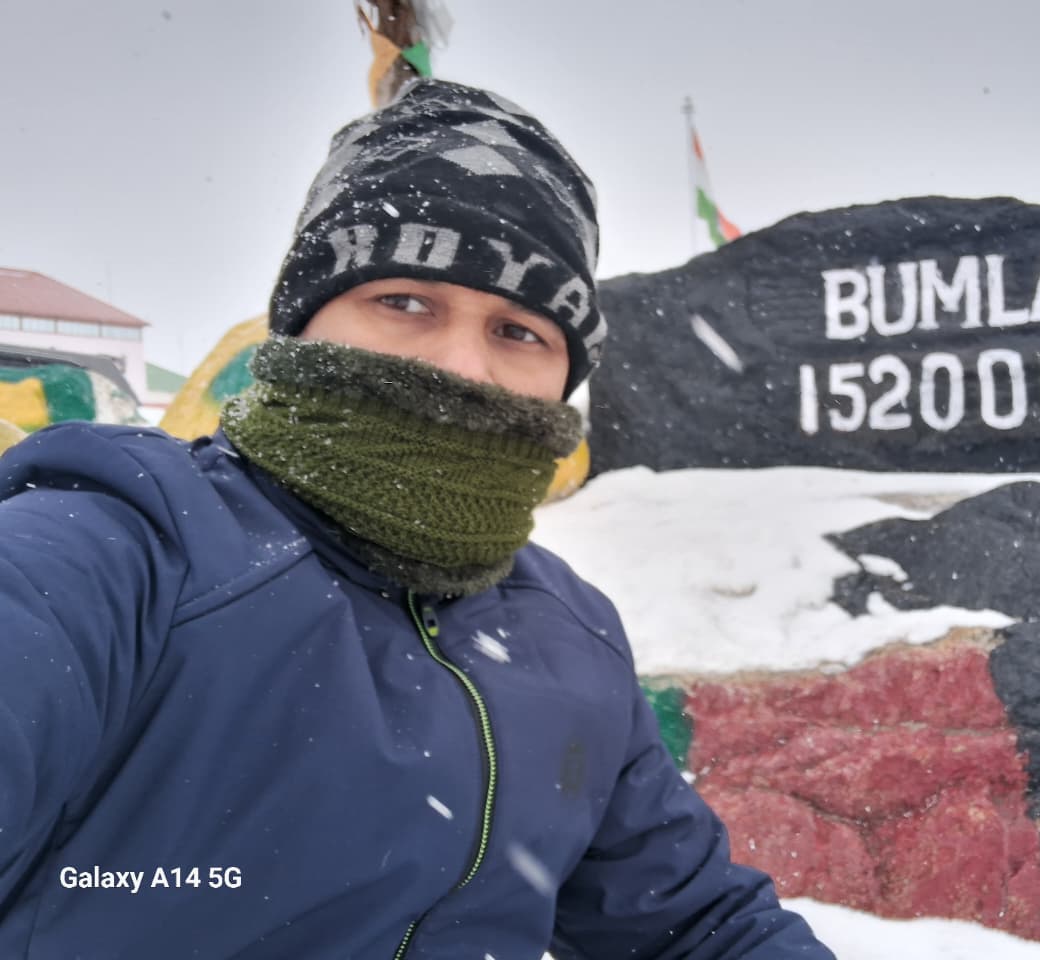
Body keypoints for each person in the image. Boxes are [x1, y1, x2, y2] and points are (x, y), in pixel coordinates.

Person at [0, 79, 836, 958]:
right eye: (404, 302)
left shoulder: (570, 633)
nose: (460, 366)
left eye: (520, 331)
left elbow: (694, 930)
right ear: (303, 324)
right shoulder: (117, 548)